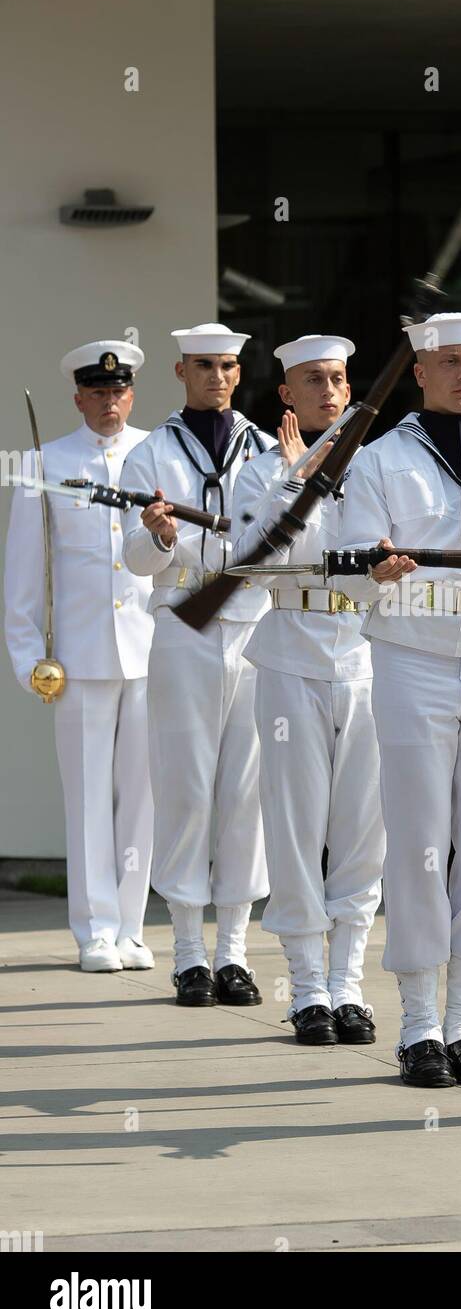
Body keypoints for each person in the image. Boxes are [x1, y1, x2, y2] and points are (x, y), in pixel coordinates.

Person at [338, 312, 461, 1089]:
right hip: (411, 657)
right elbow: (344, 560)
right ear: (418, 371)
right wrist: (369, 567)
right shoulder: (378, 459)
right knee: (416, 842)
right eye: (448, 361)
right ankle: (418, 1022)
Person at [232, 334, 385, 1046]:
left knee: (363, 830)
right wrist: (294, 480)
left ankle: (350, 982)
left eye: (339, 379)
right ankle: (308, 987)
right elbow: (251, 561)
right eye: (312, 381)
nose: (329, 391)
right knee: (295, 828)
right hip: (291, 653)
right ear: (285, 394)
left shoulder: (379, 465)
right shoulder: (263, 469)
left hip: (367, 655)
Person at [121, 323, 276, 1007]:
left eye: (228, 366)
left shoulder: (270, 450)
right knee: (185, 786)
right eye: (204, 366)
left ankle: (235, 951)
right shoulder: (151, 452)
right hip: (183, 621)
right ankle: (188, 950)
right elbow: (134, 557)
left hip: (253, 625)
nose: (218, 376)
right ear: (181, 371)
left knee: (247, 792)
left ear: (239, 374)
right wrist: (160, 538)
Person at [4, 341, 155, 972]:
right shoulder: (47, 461)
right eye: (97, 392)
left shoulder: (156, 454)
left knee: (143, 796)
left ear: (132, 395)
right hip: (80, 656)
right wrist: (28, 660)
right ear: (78, 398)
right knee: (89, 796)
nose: (110, 401)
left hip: (150, 650)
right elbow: (22, 579)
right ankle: (95, 928)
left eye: (118, 391)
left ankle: (131, 926)